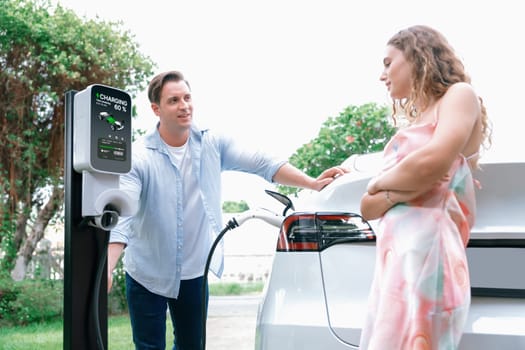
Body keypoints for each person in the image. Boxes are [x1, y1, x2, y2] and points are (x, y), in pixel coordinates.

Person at [107, 70, 347, 350]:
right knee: (149, 347)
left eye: (187, 97)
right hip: (147, 272)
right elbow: (124, 215)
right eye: (174, 100)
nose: (184, 106)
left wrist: (312, 183)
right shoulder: (139, 158)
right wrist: (108, 268)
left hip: (195, 271)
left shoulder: (211, 143)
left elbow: (262, 162)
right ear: (156, 109)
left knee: (192, 346)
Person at [359, 25, 491, 349]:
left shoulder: (459, 95)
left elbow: (432, 162)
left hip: (427, 262)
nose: (382, 75)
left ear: (418, 56)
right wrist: (401, 188)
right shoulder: (420, 120)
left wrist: (379, 184)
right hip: (395, 268)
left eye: (388, 63)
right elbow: (366, 206)